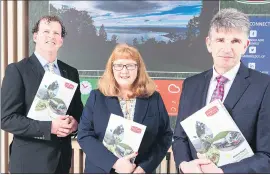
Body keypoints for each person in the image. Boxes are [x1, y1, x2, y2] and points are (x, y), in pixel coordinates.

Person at [172, 8, 270, 173]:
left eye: (235, 41)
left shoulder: (266, 86)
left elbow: (268, 157)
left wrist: (221, 172)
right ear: (208, 44)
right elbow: (179, 137)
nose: (227, 48)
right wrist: (184, 165)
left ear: (245, 46)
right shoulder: (191, 84)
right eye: (220, 40)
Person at [1, 15, 83, 173]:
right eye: (46, 31)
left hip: (62, 160)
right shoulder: (17, 70)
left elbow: (77, 111)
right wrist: (50, 127)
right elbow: (7, 119)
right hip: (29, 161)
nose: (51, 36)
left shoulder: (71, 72)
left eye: (56, 33)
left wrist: (75, 123)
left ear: (61, 40)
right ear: (35, 36)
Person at [77, 43, 173, 173]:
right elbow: (84, 135)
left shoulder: (154, 98)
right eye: (119, 65)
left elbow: (165, 136)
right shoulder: (96, 97)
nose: (124, 70)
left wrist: (144, 167)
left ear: (138, 69)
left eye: (130, 65)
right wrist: (115, 163)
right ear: (111, 68)